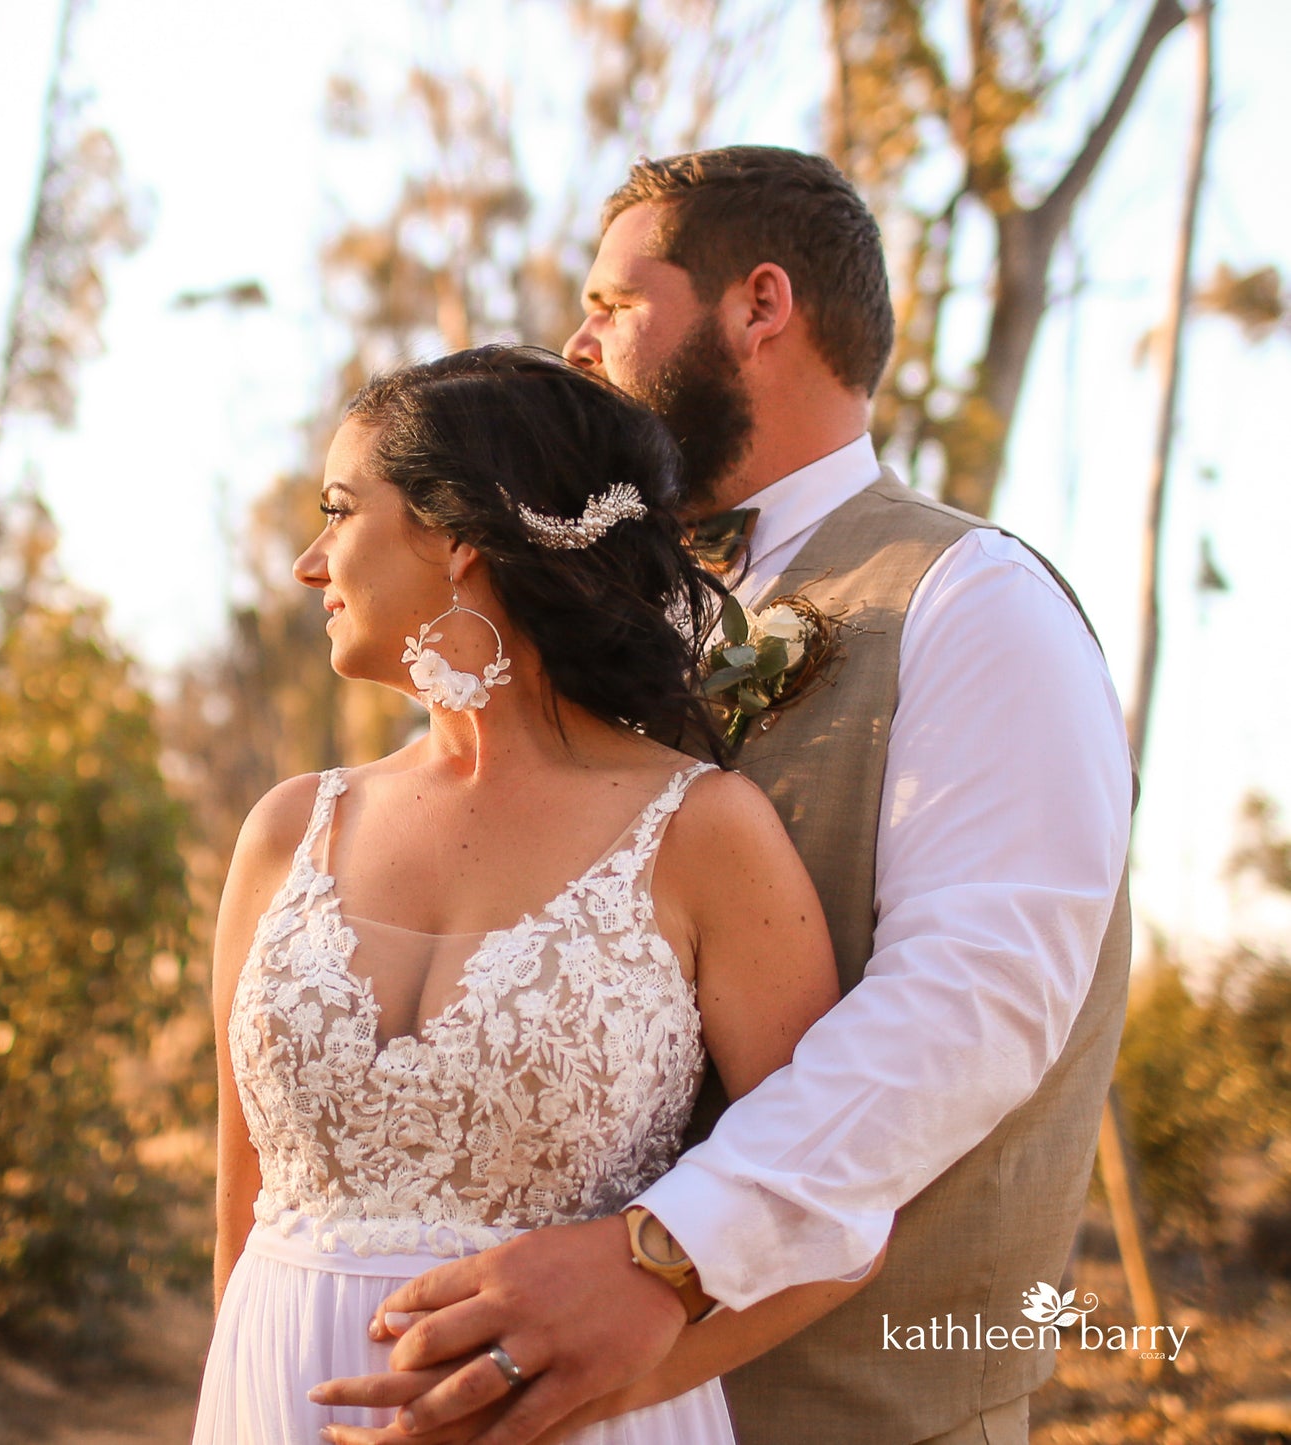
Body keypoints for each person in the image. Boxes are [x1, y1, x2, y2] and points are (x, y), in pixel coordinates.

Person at [317, 148, 1134, 1445]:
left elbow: (975, 998)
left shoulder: (972, 600)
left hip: (861, 1409)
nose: (576, 346)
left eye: (613, 305)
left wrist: (665, 1254)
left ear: (761, 305)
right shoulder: (598, 624)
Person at [191, 344, 883, 1445]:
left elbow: (834, 1211)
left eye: (338, 510)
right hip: (274, 1403)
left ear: (460, 538)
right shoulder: (288, 828)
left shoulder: (700, 833)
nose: (308, 564)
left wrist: (613, 1387)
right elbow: (240, 1207)